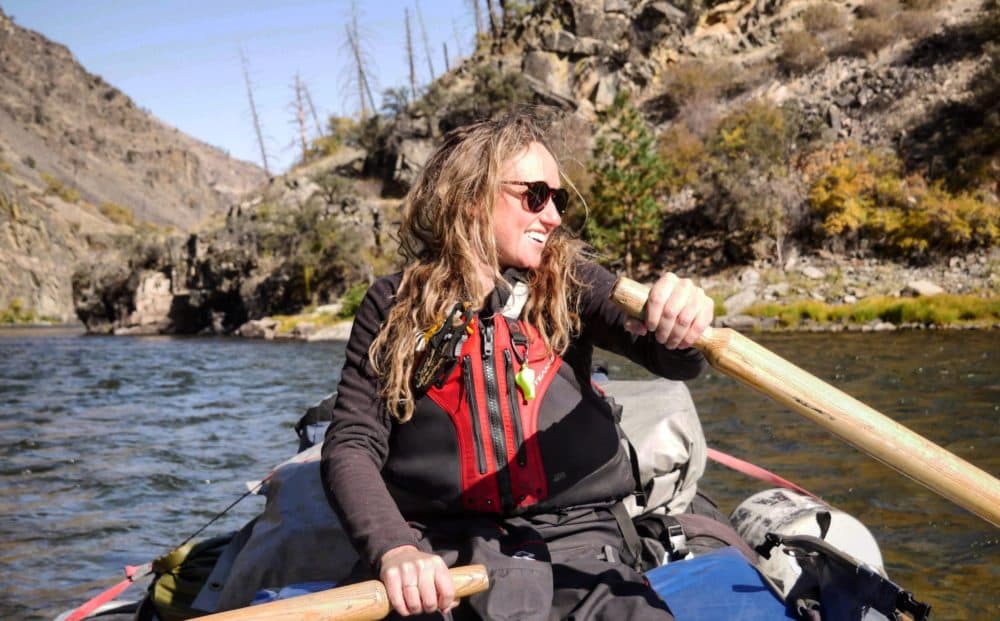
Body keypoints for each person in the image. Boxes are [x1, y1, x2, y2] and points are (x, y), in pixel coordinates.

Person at [320, 111, 714, 620]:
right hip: (442, 549)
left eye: (558, 199)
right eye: (534, 196)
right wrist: (396, 550)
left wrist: (682, 324)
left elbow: (669, 356)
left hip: (579, 542)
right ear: (470, 196)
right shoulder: (391, 305)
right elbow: (353, 442)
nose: (552, 216)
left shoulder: (572, 283)